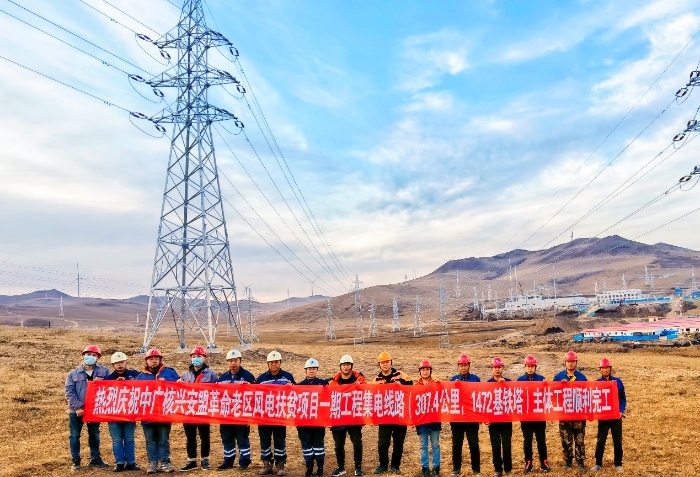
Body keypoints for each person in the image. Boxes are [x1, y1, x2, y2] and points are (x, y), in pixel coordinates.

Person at [65, 344, 110, 471]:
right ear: (83, 355)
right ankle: (76, 461)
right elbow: (69, 392)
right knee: (75, 435)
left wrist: (103, 383)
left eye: (94, 355)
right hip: (76, 411)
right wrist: (78, 407)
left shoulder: (104, 371)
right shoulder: (72, 374)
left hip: (94, 410)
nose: (90, 357)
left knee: (94, 434)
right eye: (88, 354)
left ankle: (95, 458)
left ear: (98, 357)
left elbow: (110, 387)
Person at [136, 348, 180, 474]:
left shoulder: (170, 372)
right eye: (151, 359)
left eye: (156, 358)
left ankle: (165, 462)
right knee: (150, 440)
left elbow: (180, 388)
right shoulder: (141, 376)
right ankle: (153, 463)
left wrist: (168, 383)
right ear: (146, 361)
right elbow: (134, 393)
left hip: (164, 413)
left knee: (163, 439)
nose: (154, 361)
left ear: (160, 359)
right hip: (147, 414)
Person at [371, 351, 413, 475]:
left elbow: (411, 386)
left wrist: (402, 384)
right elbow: (372, 399)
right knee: (383, 443)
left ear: (391, 362)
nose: (385, 364)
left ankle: (395, 465)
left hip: (400, 415)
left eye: (387, 361)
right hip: (385, 417)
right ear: (379, 364)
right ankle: (383, 465)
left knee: (398, 443)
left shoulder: (401, 375)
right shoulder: (376, 381)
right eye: (382, 362)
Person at [256, 350, 296, 476]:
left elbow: (296, 393)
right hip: (264, 417)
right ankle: (267, 463)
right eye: (272, 362)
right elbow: (253, 395)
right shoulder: (261, 379)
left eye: (277, 362)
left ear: (280, 363)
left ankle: (280, 464)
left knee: (280, 440)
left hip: (280, 416)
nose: (274, 364)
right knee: (265, 440)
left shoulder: (288, 377)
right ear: (268, 364)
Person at [179, 346, 219, 471]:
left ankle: (205, 460)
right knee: (190, 437)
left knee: (204, 436)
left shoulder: (212, 374)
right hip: (189, 410)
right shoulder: (185, 375)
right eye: (194, 356)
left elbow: (217, 391)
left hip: (203, 410)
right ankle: (191, 460)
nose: (196, 358)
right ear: (191, 358)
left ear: (204, 358)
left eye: (199, 356)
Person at [217, 349, 256, 471]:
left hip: (241, 414)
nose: (233, 363)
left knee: (242, 438)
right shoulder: (222, 378)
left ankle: (244, 461)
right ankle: (228, 461)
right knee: (227, 438)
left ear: (240, 361)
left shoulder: (248, 376)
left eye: (235, 360)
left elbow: (257, 393)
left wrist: (250, 387)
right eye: (230, 361)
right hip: (226, 415)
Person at [329, 354, 367, 477]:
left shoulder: (360, 380)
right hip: (339, 417)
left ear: (351, 366)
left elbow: (366, 394)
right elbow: (329, 399)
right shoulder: (334, 382)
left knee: (357, 442)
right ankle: (341, 467)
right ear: (340, 367)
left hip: (354, 417)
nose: (346, 367)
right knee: (339, 444)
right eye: (344, 365)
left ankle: (358, 467)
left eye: (348, 365)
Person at [105, 351, 141, 472]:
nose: (119, 365)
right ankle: (119, 462)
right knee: (117, 440)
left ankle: (131, 462)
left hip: (130, 413)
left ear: (126, 363)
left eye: (122, 362)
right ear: (113, 365)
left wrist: (128, 383)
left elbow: (144, 385)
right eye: (117, 363)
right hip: (113, 415)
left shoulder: (134, 374)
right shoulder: (108, 379)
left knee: (129, 439)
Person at [553, 351, 587, 472]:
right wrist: (559, 386)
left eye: (573, 361)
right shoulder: (558, 377)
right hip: (564, 415)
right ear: (565, 363)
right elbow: (552, 394)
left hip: (579, 415)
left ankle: (580, 461)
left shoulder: (582, 378)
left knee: (580, 439)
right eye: (568, 361)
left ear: (576, 362)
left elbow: (586, 395)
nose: (571, 364)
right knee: (566, 440)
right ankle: (567, 461)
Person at [516, 355, 551, 474]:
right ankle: (528, 462)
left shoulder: (541, 379)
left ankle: (544, 462)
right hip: (526, 417)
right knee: (527, 440)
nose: (530, 369)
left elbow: (547, 396)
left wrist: (547, 385)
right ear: (525, 367)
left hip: (539, 416)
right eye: (528, 366)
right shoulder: (520, 380)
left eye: (532, 366)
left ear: (535, 367)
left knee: (541, 439)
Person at [591, 357, 626, 473]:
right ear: (600, 370)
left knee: (617, 441)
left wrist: (621, 410)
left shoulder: (618, 382)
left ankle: (618, 463)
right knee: (600, 441)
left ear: (610, 369)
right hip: (603, 417)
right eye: (603, 368)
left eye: (607, 368)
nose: (605, 370)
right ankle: (598, 463)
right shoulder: (597, 383)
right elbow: (593, 399)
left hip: (616, 417)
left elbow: (622, 398)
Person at [449, 353, 481, 476]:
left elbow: (479, 397)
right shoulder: (452, 380)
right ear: (458, 366)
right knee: (457, 444)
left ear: (469, 365)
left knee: (474, 444)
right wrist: (453, 386)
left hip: (471, 418)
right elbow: (448, 397)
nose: (463, 368)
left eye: (465, 365)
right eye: (461, 365)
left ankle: (476, 469)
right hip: (457, 419)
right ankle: (456, 468)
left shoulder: (475, 379)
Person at [297, 358, 329, 477]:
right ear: (305, 370)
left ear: (317, 370)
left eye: (314, 369)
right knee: (306, 446)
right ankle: (309, 467)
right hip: (304, 423)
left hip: (318, 422)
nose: (311, 371)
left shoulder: (323, 384)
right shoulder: (299, 386)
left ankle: (320, 468)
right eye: (309, 369)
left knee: (318, 445)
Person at [486, 357, 512, 477]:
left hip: (506, 419)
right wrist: (486, 418)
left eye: (499, 367)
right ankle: (498, 469)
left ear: (502, 368)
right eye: (495, 367)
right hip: (493, 420)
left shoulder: (508, 382)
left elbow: (514, 398)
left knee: (507, 445)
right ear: (492, 369)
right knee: (495, 445)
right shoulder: (488, 384)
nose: (497, 369)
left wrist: (505, 384)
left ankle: (508, 468)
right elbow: (485, 402)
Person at [416, 360, 441, 477]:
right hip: (421, 421)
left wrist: (440, 386)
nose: (425, 372)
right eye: (423, 370)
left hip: (434, 419)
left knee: (435, 444)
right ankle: (425, 468)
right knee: (423, 445)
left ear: (430, 371)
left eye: (427, 369)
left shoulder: (436, 384)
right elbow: (413, 404)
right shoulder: (416, 387)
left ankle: (436, 467)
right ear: (420, 371)